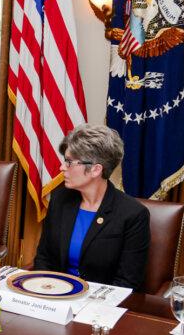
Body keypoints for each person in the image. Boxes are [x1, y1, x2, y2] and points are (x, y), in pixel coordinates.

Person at [32, 124, 150, 290]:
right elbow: (44, 258)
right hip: (54, 297)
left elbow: (127, 282)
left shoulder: (133, 215)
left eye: (69, 162)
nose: (62, 167)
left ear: (95, 170)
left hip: (99, 307)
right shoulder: (60, 199)